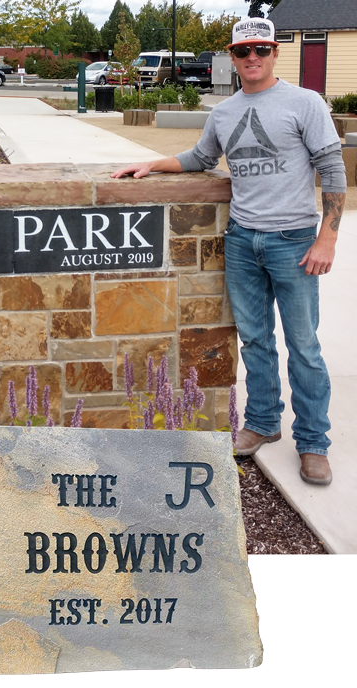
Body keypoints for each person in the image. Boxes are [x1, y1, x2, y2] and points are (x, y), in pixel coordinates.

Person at [111, 18, 346, 486]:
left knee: (304, 346)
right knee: (256, 340)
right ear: (232, 57)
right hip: (242, 241)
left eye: (261, 49)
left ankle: (314, 442)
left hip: (294, 242)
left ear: (275, 52)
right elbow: (200, 158)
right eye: (243, 52)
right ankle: (262, 422)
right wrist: (150, 164)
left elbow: (332, 168)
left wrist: (328, 237)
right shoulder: (224, 112)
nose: (252, 58)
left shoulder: (305, 103)